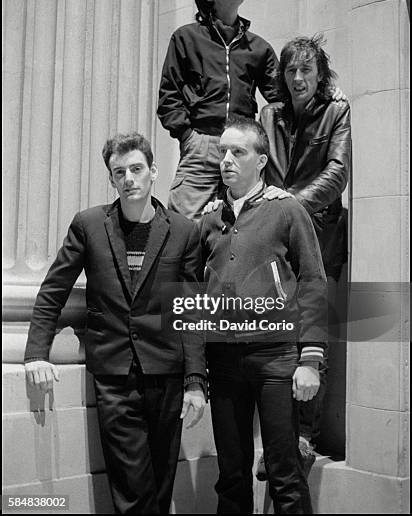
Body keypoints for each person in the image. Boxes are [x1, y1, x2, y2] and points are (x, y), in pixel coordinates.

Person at [24, 132, 207, 515]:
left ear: (154, 171)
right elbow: (53, 289)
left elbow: (190, 311)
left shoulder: (184, 231)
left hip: (167, 373)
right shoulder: (89, 225)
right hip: (114, 374)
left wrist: (195, 381)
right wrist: (36, 354)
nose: (129, 178)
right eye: (119, 171)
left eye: (137, 169)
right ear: (111, 179)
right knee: (132, 488)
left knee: (160, 484)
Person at [199, 116, 328, 514]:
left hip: (276, 360)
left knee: (284, 471)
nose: (227, 160)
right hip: (222, 363)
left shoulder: (286, 209)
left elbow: (313, 281)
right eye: (222, 152)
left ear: (260, 160)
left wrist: (310, 358)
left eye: (238, 152)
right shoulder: (210, 218)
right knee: (231, 475)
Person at [257, 33, 351, 475]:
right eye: (291, 70)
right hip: (278, 239)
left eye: (306, 70)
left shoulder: (337, 111)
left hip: (319, 235)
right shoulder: (269, 114)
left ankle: (304, 437)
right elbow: (264, 168)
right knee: (277, 336)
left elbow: (337, 173)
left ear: (320, 75)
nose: (297, 77)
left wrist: (291, 207)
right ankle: (277, 436)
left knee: (313, 336)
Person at [157, 0, 279, 220]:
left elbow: (283, 98)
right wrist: (188, 137)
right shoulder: (186, 38)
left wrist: (326, 93)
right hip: (200, 144)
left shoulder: (258, 47)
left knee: (243, 225)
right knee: (183, 229)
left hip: (242, 148)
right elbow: (169, 96)